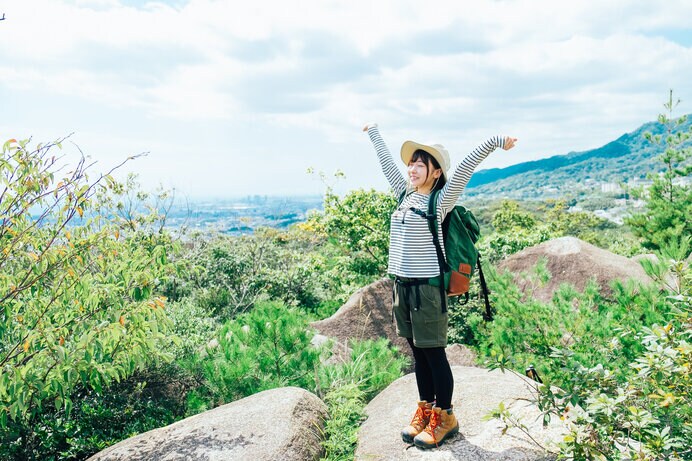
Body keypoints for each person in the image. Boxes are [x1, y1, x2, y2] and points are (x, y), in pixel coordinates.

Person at [362, 123, 517, 449]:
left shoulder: (440, 201)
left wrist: (497, 141)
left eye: (421, 164)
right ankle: (427, 409)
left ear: (435, 172)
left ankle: (446, 418)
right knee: (418, 355)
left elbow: (466, 166)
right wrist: (374, 132)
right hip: (402, 289)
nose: (412, 168)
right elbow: (386, 162)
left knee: (434, 356)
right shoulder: (404, 195)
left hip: (428, 290)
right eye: (412, 163)